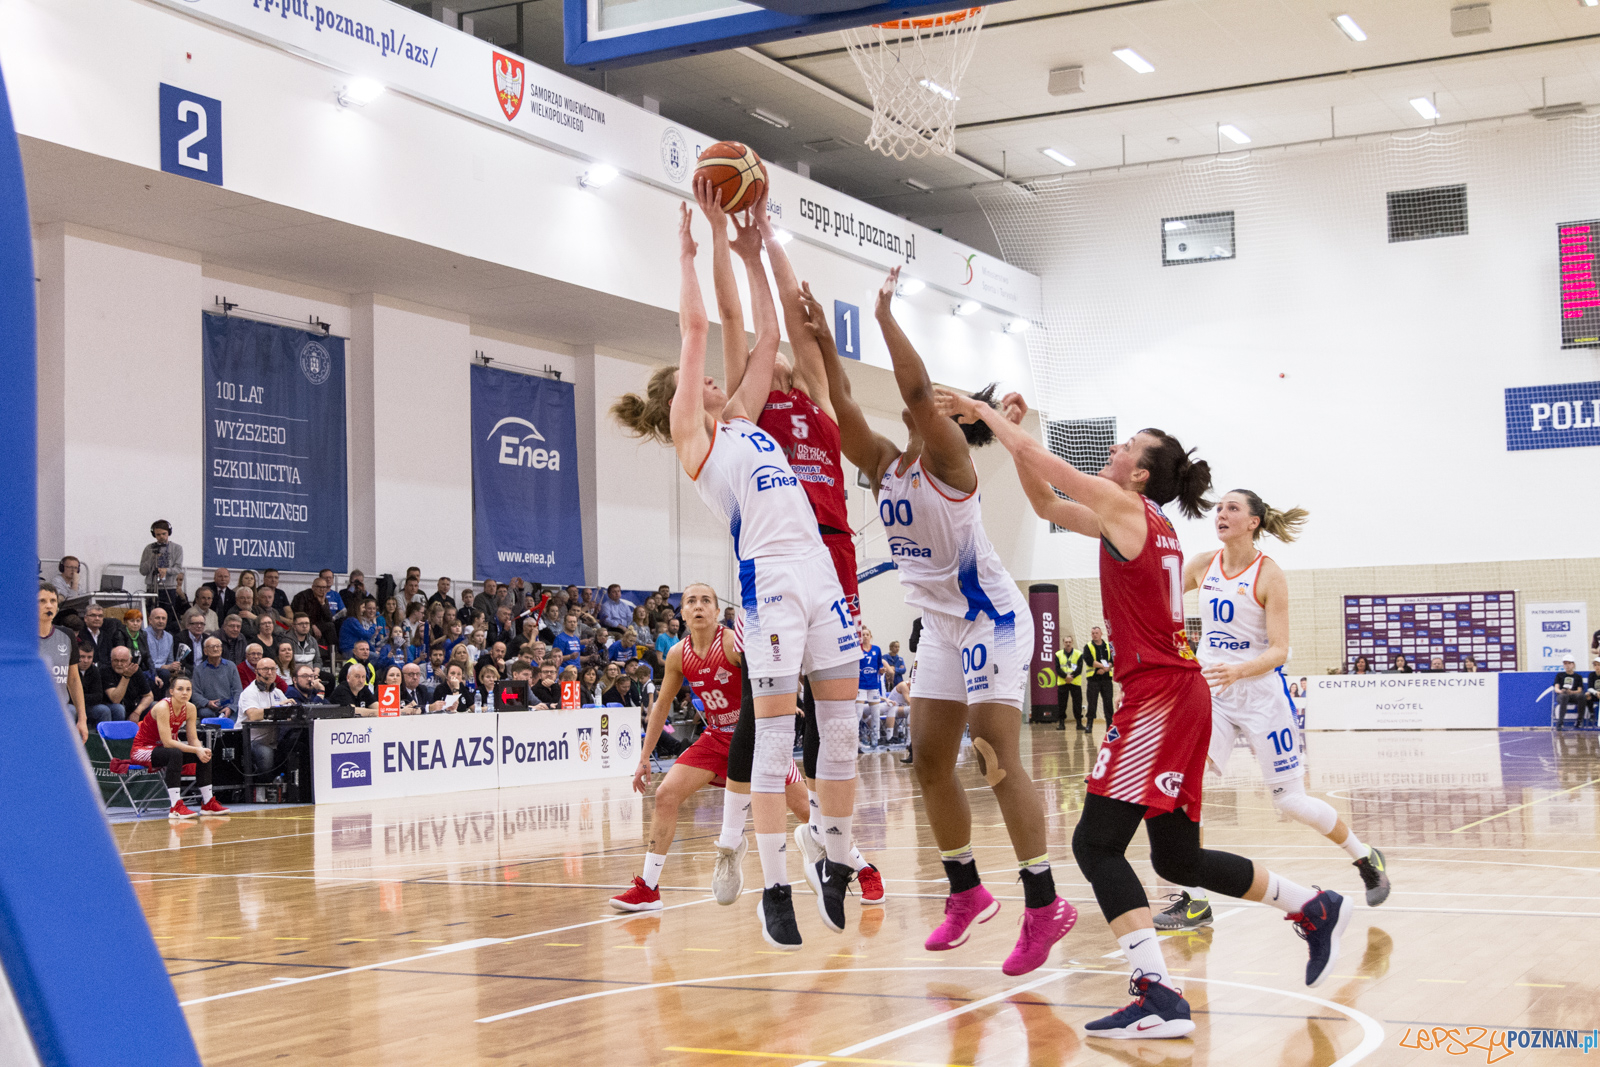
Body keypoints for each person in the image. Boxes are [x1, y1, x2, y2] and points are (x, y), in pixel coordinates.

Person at [955, 399, 1354, 1037]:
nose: (1113, 451)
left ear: (1140, 474)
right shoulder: (1145, 520)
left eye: (1125, 448)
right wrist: (1014, 436)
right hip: (1181, 692)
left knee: (1095, 843)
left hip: (1161, 696)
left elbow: (1046, 466)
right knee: (1176, 860)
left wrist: (988, 416)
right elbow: (1047, 507)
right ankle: (1312, 904)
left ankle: (1156, 992)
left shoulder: (1127, 508)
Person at [611, 193, 861, 950]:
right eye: (705, 382)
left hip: (818, 569)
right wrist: (695, 249)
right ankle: (775, 886)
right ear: (683, 400)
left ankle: (838, 859)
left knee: (842, 729)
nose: (722, 381)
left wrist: (754, 252)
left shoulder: (747, 421)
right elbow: (697, 329)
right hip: (771, 580)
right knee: (778, 741)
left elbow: (768, 338)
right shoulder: (696, 435)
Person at [819, 274, 1068, 977]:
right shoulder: (882, 465)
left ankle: (1044, 903)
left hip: (991, 620)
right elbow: (839, 400)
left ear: (953, 424)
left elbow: (918, 393)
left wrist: (883, 315)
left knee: (993, 755)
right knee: (927, 759)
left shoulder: (953, 462)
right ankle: (967, 891)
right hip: (941, 626)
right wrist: (815, 336)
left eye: (936, 411)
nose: (921, 414)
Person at [1156, 488, 1389, 936]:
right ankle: (1196, 900)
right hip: (1213, 693)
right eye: (1219, 508)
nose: (1221, 514)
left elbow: (1280, 651)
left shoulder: (1270, 575)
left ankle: (1366, 857)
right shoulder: (1203, 564)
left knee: (1291, 801)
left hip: (1260, 695)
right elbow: (1160, 594)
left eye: (1232, 509)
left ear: (1253, 522)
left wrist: (1240, 669)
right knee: (1185, 785)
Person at [612, 582, 810, 913]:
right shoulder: (677, 654)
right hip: (717, 737)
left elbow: (770, 674)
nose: (699, 605)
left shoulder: (733, 643)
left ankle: (858, 868)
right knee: (665, 795)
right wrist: (644, 757)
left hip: (754, 739)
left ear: (718, 611)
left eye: (707, 600)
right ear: (683, 613)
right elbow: (661, 706)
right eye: (691, 601)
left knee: (808, 812)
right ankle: (648, 888)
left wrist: (786, 702)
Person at [129, 674, 227, 819]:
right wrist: (196, 749)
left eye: (188, 689)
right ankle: (175, 806)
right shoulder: (162, 706)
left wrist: (201, 750)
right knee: (175, 753)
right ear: (171, 691)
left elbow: (193, 738)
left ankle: (208, 802)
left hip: (166, 750)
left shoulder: (191, 708)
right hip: (143, 749)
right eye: (180, 689)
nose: (185, 692)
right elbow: (168, 742)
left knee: (204, 753)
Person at [40, 585, 88, 742]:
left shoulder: (67, 635)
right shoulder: (22, 639)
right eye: (42, 601)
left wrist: (82, 718)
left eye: (53, 600)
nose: (49, 605)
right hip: (30, 713)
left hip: (60, 714)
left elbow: (73, 679)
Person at [237, 657, 291, 771]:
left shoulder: (277, 692)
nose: (270, 672)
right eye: (265, 669)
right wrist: (277, 708)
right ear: (257, 671)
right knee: (266, 754)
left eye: (273, 669)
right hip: (250, 741)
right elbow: (253, 715)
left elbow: (287, 711)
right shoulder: (249, 692)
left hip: (273, 741)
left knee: (295, 748)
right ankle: (262, 786)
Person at [139, 520, 187, 619]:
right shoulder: (149, 548)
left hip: (169, 588)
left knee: (167, 617)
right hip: (152, 588)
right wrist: (152, 558)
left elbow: (178, 568)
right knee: (151, 617)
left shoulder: (177, 548)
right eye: (158, 534)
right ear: (154, 535)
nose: (161, 537)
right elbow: (142, 571)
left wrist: (167, 570)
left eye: (164, 534)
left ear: (169, 533)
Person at [102, 645, 153, 724]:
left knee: (155, 706)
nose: (119, 664)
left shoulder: (136, 670)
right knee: (119, 708)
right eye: (115, 660)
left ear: (130, 660)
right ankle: (119, 734)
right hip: (114, 709)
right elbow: (115, 699)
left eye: (123, 661)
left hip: (133, 708)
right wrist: (126, 676)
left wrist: (137, 712)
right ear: (111, 660)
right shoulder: (105, 671)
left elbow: (149, 696)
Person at [856, 626, 887, 752]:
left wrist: (881, 670)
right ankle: (855, 741)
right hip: (861, 685)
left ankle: (875, 740)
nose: (865, 636)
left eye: (867, 634)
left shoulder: (877, 649)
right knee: (857, 714)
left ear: (870, 636)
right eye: (862, 635)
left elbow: (880, 665)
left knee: (875, 714)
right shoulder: (857, 650)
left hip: (874, 686)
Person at [191, 637, 241, 716]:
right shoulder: (198, 670)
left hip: (228, 706)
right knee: (205, 714)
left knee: (236, 714)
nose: (215, 649)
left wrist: (231, 708)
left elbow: (238, 690)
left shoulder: (231, 666)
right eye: (211, 647)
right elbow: (195, 694)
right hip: (208, 708)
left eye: (218, 646)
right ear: (205, 651)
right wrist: (208, 703)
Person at [1082, 626, 1115, 732]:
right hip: (1093, 680)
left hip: (1106, 679)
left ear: (1101, 634)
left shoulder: (1108, 646)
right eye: (1092, 633)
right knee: (1092, 703)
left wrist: (1105, 669)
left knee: (1108, 703)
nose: (1094, 635)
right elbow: (1089, 661)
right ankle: (1089, 725)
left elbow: (1113, 660)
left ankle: (1109, 725)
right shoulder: (1088, 647)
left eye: (1096, 633)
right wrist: (1102, 666)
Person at [77, 603, 129, 670]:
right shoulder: (79, 635)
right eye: (93, 615)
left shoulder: (106, 635)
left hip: (105, 673)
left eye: (100, 616)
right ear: (86, 618)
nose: (97, 618)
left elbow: (110, 657)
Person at [291, 576, 336, 648]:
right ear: (313, 587)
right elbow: (300, 615)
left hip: (317, 624)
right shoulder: (302, 596)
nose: (322, 590)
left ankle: (333, 652)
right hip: (303, 623)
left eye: (324, 587)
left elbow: (329, 618)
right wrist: (312, 625)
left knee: (331, 626)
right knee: (307, 630)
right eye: (319, 587)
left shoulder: (324, 599)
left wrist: (323, 604)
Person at [1055, 633, 1084, 731]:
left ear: (1072, 643)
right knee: (1062, 704)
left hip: (1075, 683)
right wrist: (1065, 676)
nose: (1068, 644)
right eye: (1066, 642)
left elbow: (1080, 668)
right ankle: (1061, 724)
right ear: (1063, 643)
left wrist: (1071, 677)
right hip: (1063, 682)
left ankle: (1079, 724)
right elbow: (1057, 669)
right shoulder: (1058, 654)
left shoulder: (1078, 654)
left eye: (1069, 642)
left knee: (1077, 703)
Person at [1554, 658, 1586, 729]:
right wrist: (1561, 691)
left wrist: (1572, 692)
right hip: (1562, 695)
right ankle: (1560, 722)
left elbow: (1579, 690)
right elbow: (1556, 688)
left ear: (1573, 664)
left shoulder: (1578, 677)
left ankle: (1579, 720)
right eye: (1565, 663)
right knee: (1564, 696)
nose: (1567, 665)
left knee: (1582, 696)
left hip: (1573, 695)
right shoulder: (1560, 675)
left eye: (1569, 663)